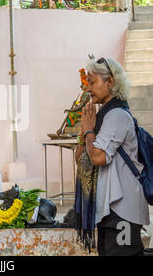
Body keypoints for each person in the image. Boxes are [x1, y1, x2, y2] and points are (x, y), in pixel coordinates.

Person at [74, 57, 150, 256]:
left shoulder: (117, 115)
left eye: (92, 82)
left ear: (111, 82)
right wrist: (85, 132)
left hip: (123, 207)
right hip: (109, 208)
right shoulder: (103, 116)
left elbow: (98, 157)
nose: (88, 89)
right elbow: (82, 159)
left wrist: (89, 130)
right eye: (87, 83)